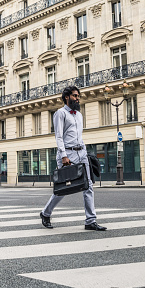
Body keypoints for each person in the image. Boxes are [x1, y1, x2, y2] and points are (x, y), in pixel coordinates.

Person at [40, 86, 106, 231]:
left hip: (81, 153)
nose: (77, 98)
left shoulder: (79, 115)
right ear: (66, 97)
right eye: (75, 96)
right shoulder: (60, 114)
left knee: (88, 186)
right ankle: (46, 213)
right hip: (67, 155)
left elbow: (78, 136)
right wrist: (63, 155)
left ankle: (90, 220)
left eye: (78, 96)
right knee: (64, 188)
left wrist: (85, 153)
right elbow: (58, 136)